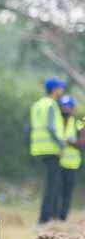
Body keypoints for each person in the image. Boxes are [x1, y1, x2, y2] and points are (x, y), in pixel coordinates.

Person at [30, 77, 66, 224]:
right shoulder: (51, 104)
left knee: (50, 185)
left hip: (40, 148)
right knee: (53, 186)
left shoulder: (38, 105)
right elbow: (51, 128)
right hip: (51, 149)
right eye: (60, 88)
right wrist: (61, 145)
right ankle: (45, 220)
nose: (62, 91)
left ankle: (45, 219)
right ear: (54, 89)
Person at [57, 95, 81, 221]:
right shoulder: (56, 122)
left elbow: (82, 144)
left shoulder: (78, 124)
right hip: (58, 163)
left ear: (72, 109)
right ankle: (54, 217)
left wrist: (68, 142)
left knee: (67, 193)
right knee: (57, 192)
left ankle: (63, 218)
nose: (65, 110)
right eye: (63, 107)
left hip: (72, 164)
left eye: (68, 107)